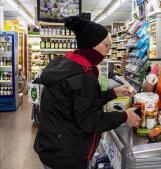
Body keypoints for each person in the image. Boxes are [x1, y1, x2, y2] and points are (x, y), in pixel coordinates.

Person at [34, 16, 141, 169]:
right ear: (92, 45)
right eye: (107, 45)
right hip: (67, 156)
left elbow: (81, 102)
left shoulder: (68, 64)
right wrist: (125, 116)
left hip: (53, 145)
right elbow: (91, 122)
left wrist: (113, 93)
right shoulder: (82, 75)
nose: (108, 51)